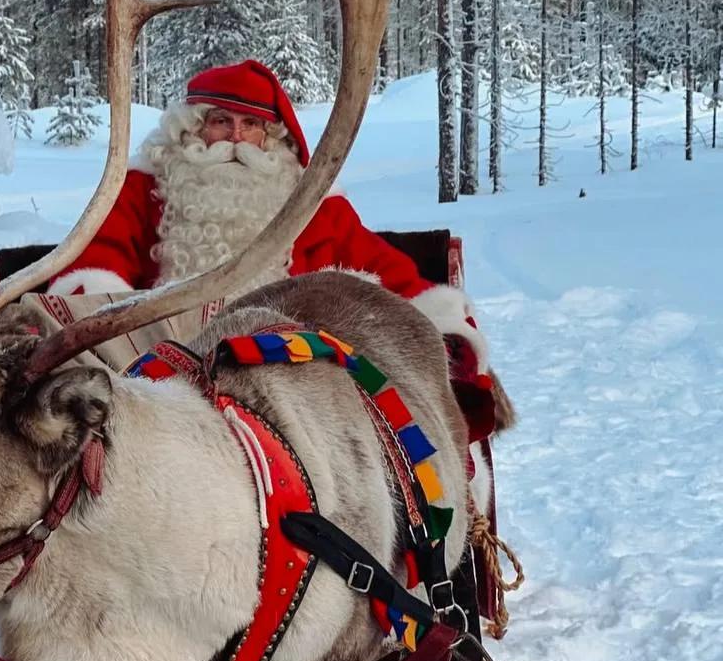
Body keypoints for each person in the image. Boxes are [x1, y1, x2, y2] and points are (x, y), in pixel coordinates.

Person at [49, 59, 494, 432]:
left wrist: (440, 323)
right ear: (191, 130)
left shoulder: (311, 205)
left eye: (251, 126)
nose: (237, 141)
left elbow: (383, 274)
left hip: (300, 391)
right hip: (165, 384)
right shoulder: (142, 191)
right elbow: (97, 264)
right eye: (221, 122)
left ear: (271, 139)